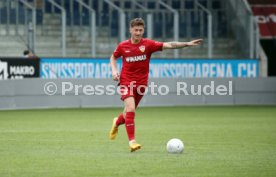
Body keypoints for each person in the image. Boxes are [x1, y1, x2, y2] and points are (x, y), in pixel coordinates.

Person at [109, 18, 202, 152]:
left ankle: (116, 123)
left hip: (141, 84)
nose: (138, 33)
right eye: (136, 30)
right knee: (131, 108)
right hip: (126, 81)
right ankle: (132, 142)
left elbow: (169, 45)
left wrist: (187, 44)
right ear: (130, 30)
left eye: (141, 30)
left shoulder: (148, 44)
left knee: (127, 113)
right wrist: (114, 70)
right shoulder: (123, 46)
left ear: (143, 30)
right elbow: (113, 57)